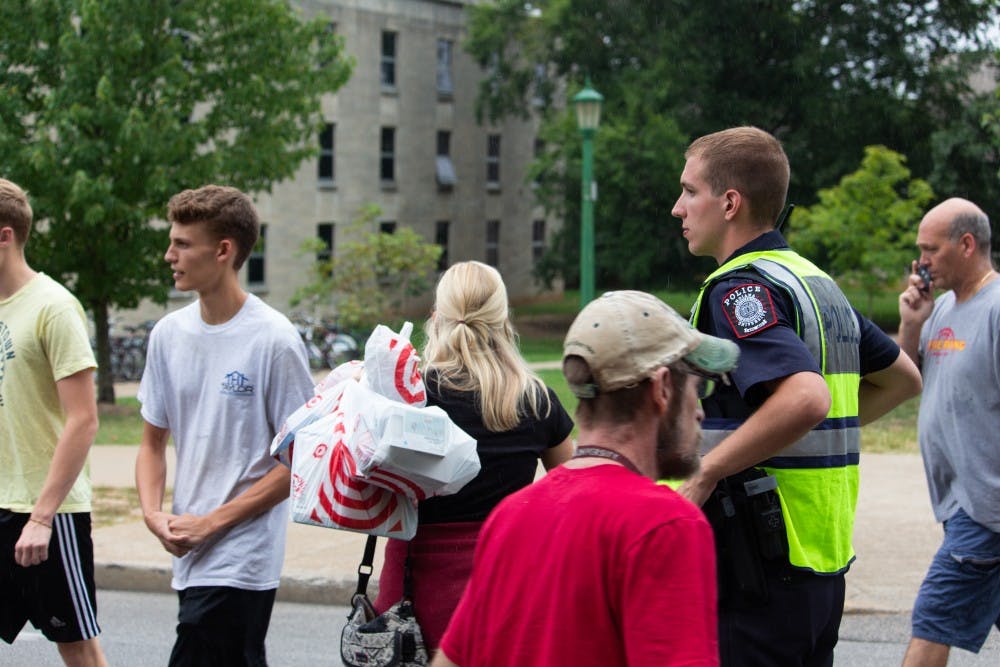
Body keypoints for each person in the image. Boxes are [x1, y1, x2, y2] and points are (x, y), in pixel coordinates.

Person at [672, 126, 923, 666]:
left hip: (757, 562)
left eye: (691, 191)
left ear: (730, 202)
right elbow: (903, 379)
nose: (678, 207)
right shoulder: (814, 282)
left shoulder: (738, 289)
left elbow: (807, 397)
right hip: (821, 558)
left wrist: (706, 471)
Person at [432, 290, 736, 666]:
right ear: (662, 389)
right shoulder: (666, 524)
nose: (700, 410)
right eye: (697, 387)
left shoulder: (510, 515)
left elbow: (450, 659)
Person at [135, 185, 314, 666]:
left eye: (182, 244)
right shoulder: (168, 335)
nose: (169, 255)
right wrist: (153, 515)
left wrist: (215, 522)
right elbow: (152, 442)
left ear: (223, 251)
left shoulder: (274, 339)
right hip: (189, 551)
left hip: (242, 554)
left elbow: (301, 458)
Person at [373, 260, 575, 651]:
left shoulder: (410, 399)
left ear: (436, 318)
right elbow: (573, 489)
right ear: (503, 322)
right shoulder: (535, 401)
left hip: (412, 596)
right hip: (504, 590)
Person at [0, 178, 108, 666]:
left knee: (76, 647)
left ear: (5, 236)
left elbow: (83, 420)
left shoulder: (53, 307)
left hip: (47, 513)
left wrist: (41, 517)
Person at [897, 198, 1000, 666]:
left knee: (931, 623)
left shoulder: (996, 308)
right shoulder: (940, 312)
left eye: (930, 250)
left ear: (966, 243)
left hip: (986, 510)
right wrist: (912, 325)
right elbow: (909, 381)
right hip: (959, 503)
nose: (922, 263)